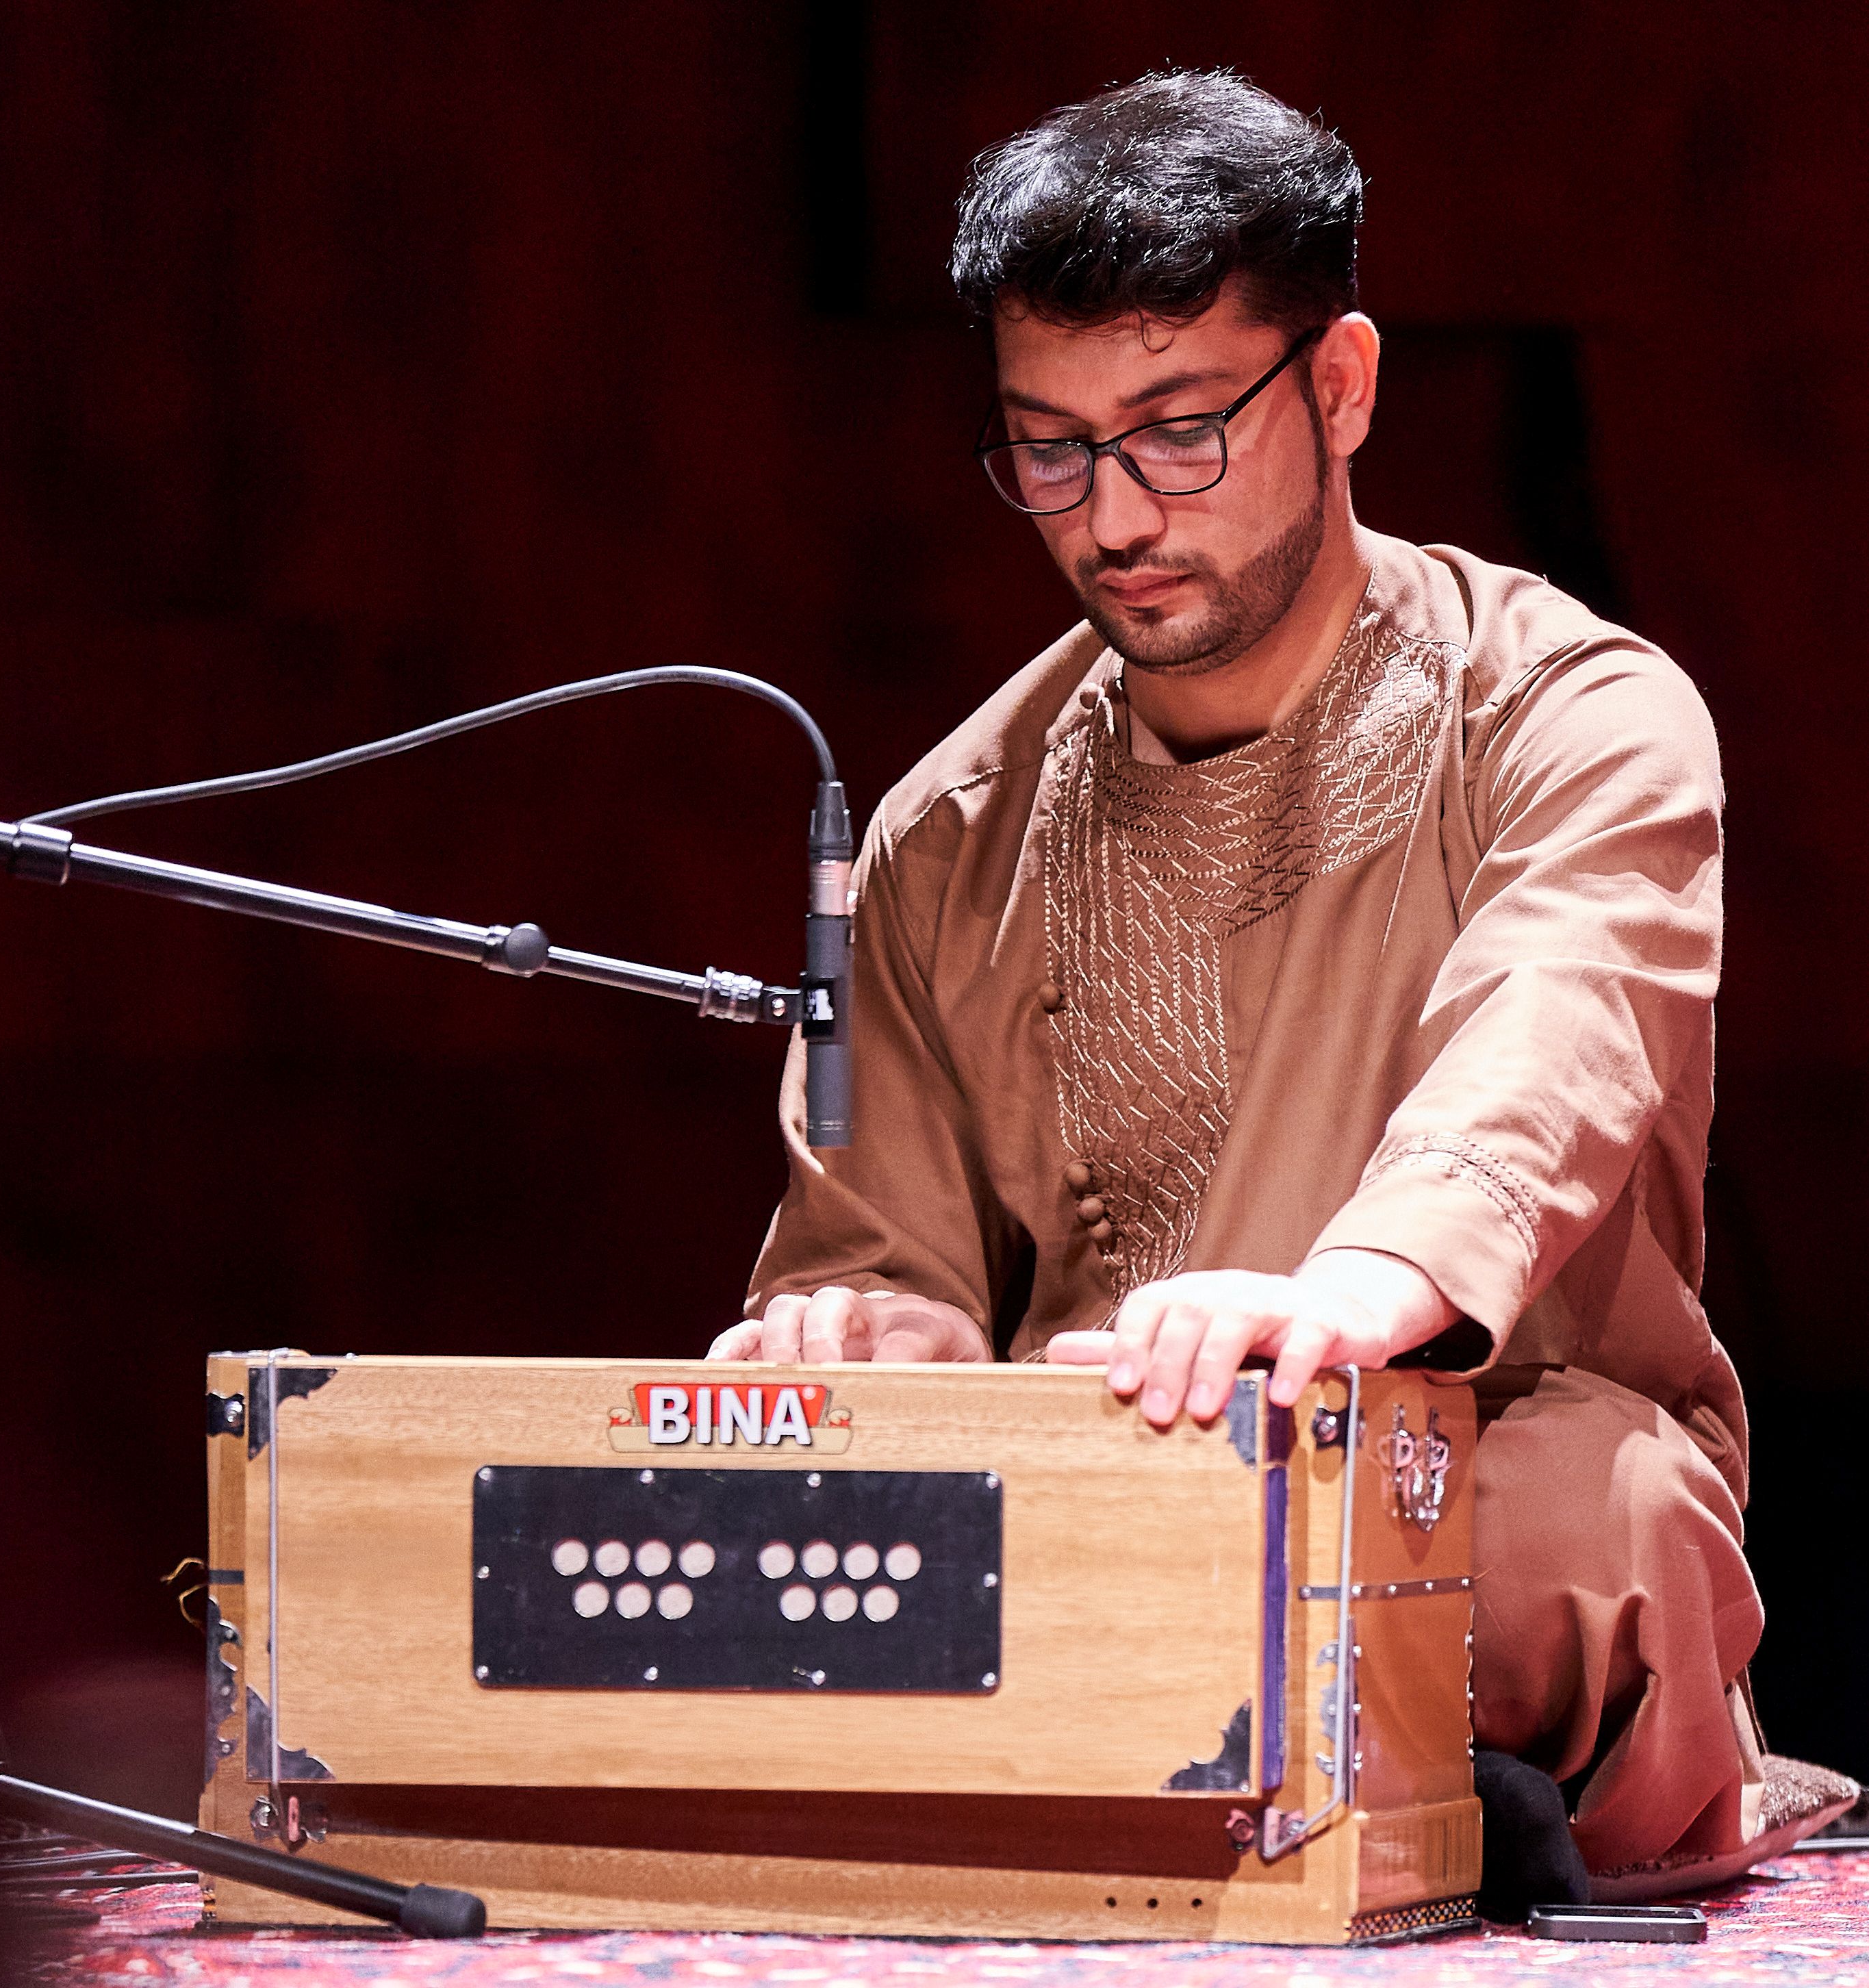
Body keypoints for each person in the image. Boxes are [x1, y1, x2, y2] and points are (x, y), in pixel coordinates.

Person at [711, 68, 1855, 1909]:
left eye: (1175, 434)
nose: (1107, 517)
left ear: (1335, 387)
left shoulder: (1566, 713)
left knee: (1592, 1519)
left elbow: (1555, 1029)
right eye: (1048, 450)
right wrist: (872, 1345)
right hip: (1106, 1524)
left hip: (1470, 1485)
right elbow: (876, 1256)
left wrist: (1342, 1298)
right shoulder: (945, 836)